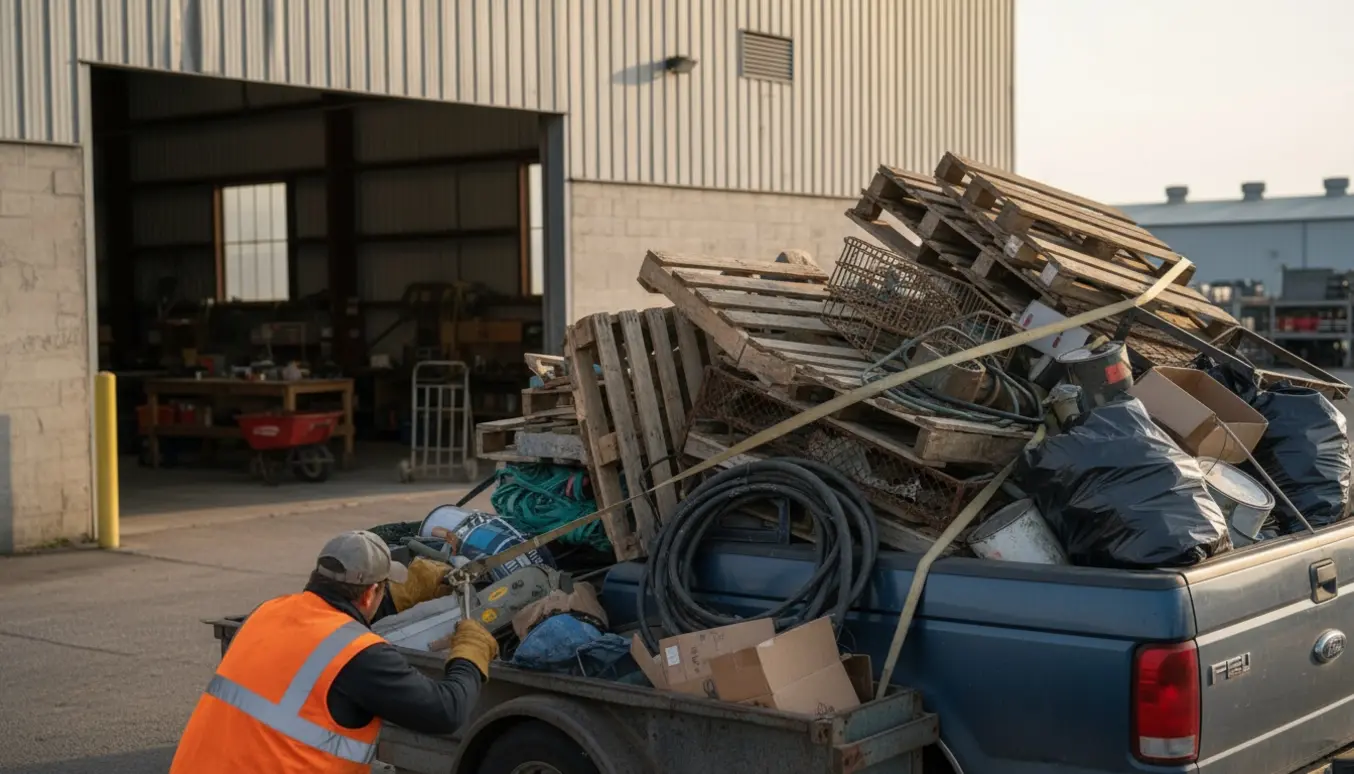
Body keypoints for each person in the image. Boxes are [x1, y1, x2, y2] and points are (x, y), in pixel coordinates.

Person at [169, 530, 499, 773]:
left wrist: (394, 598)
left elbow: (331, 619)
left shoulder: (265, 613)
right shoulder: (360, 656)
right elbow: (445, 711)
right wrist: (470, 653)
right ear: (371, 593)